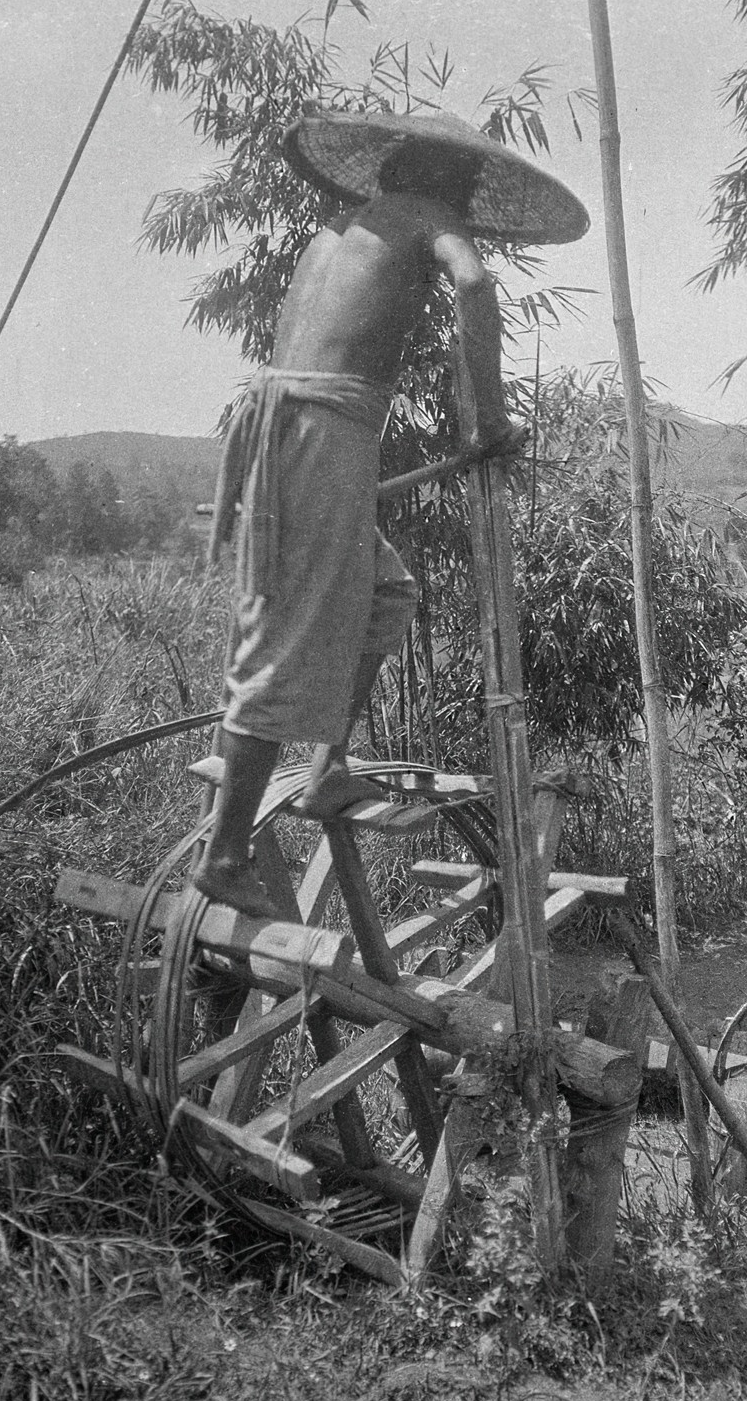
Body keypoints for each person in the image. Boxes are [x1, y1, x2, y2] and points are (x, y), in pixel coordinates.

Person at [191, 109, 588, 918]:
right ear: (448, 178)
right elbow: (475, 283)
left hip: (293, 427)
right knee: (284, 638)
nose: (470, 199)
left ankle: (330, 762)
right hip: (323, 430)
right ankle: (225, 853)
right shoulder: (429, 216)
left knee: (388, 593)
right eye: (469, 186)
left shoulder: (338, 228)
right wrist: (488, 419)